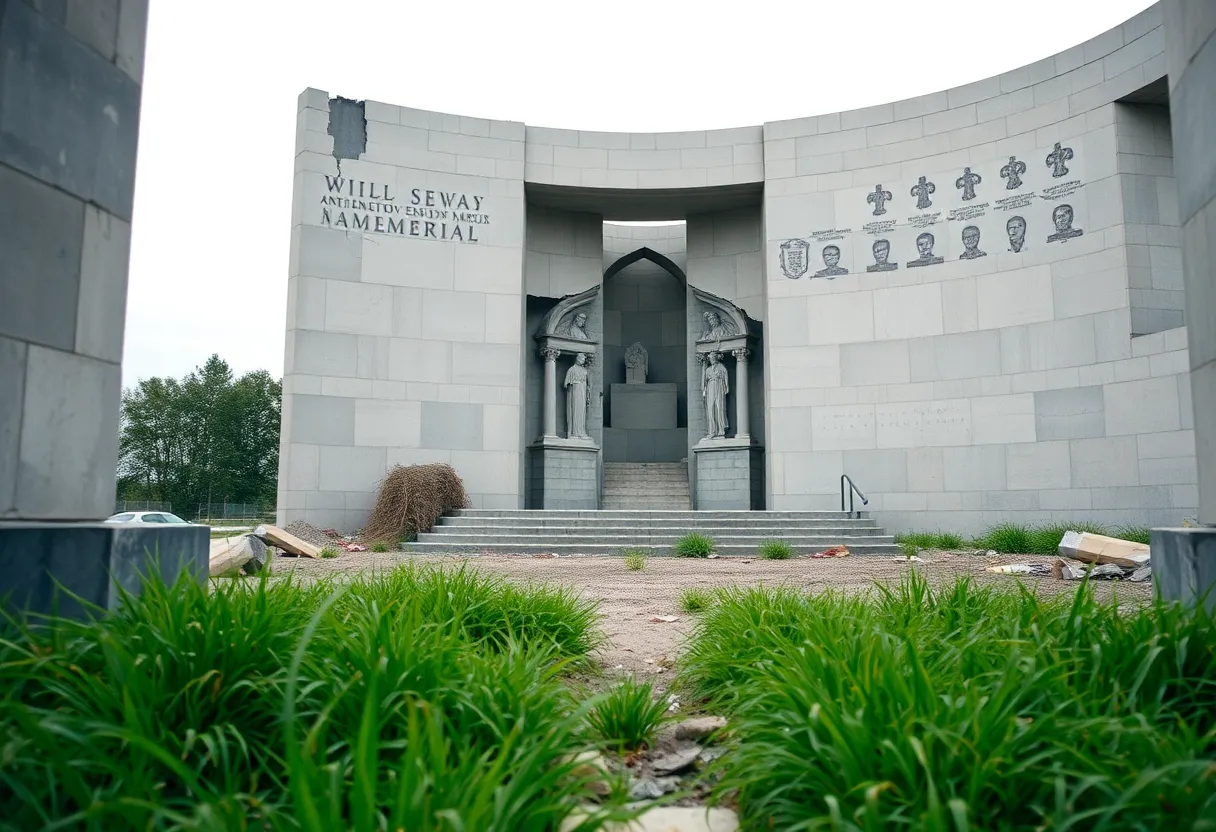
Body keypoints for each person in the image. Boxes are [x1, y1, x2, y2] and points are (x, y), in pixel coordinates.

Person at [701, 352, 729, 440]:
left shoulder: (721, 367)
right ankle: (712, 430)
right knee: (710, 408)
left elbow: (726, 378)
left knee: (719, 408)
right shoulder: (707, 369)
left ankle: (721, 430)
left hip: (719, 386)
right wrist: (704, 391)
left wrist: (726, 387)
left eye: (713, 358)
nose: (711, 359)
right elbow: (704, 382)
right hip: (710, 387)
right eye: (710, 358)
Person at [564, 353, 590, 439]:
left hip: (583, 391)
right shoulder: (572, 369)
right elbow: (566, 383)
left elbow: (588, 385)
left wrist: (587, 395)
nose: (582, 360)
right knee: (575, 411)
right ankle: (574, 432)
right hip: (575, 392)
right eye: (581, 358)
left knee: (582, 412)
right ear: (577, 358)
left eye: (583, 359)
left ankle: (581, 431)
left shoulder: (585, 371)